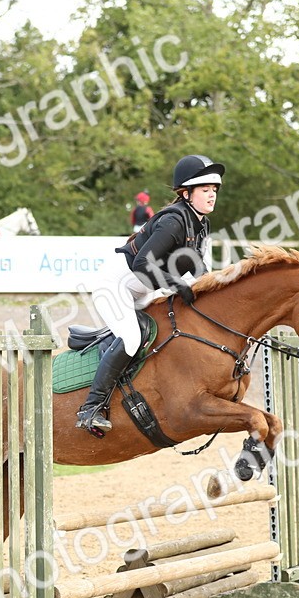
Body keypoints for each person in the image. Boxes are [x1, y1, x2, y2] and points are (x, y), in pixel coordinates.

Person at [76, 154, 224, 434]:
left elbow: (201, 270)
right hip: (116, 286)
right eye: (205, 190)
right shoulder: (174, 221)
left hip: (143, 291)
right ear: (186, 193)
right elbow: (143, 264)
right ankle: (91, 408)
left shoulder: (201, 225)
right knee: (131, 338)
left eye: (214, 190)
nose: (211, 195)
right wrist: (178, 285)